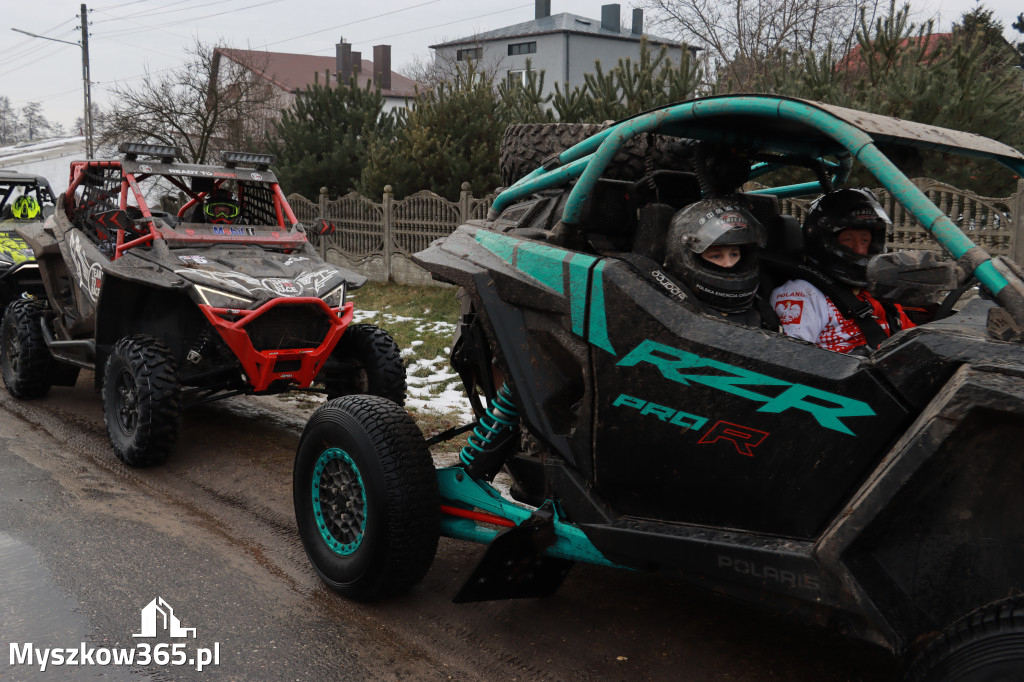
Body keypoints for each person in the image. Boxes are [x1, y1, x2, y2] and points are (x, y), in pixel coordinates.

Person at [770, 188, 914, 354]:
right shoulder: (801, 294)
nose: (859, 249)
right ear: (824, 241)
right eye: (848, 239)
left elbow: (910, 337)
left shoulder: (879, 292)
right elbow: (790, 360)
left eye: (865, 240)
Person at [663, 197, 766, 324]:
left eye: (734, 254)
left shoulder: (762, 310)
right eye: (716, 256)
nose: (728, 264)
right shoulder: (675, 313)